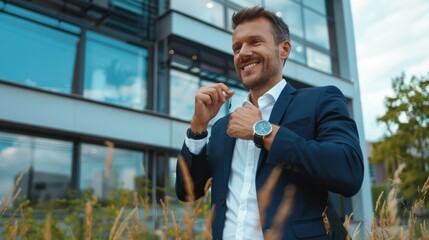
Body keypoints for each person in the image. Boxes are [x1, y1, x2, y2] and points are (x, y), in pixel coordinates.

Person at [175, 6, 364, 240]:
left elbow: (349, 171)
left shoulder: (319, 100)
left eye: (255, 42)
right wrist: (198, 127)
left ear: (283, 49)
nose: (243, 52)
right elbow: (187, 192)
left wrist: (261, 131)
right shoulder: (224, 126)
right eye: (237, 47)